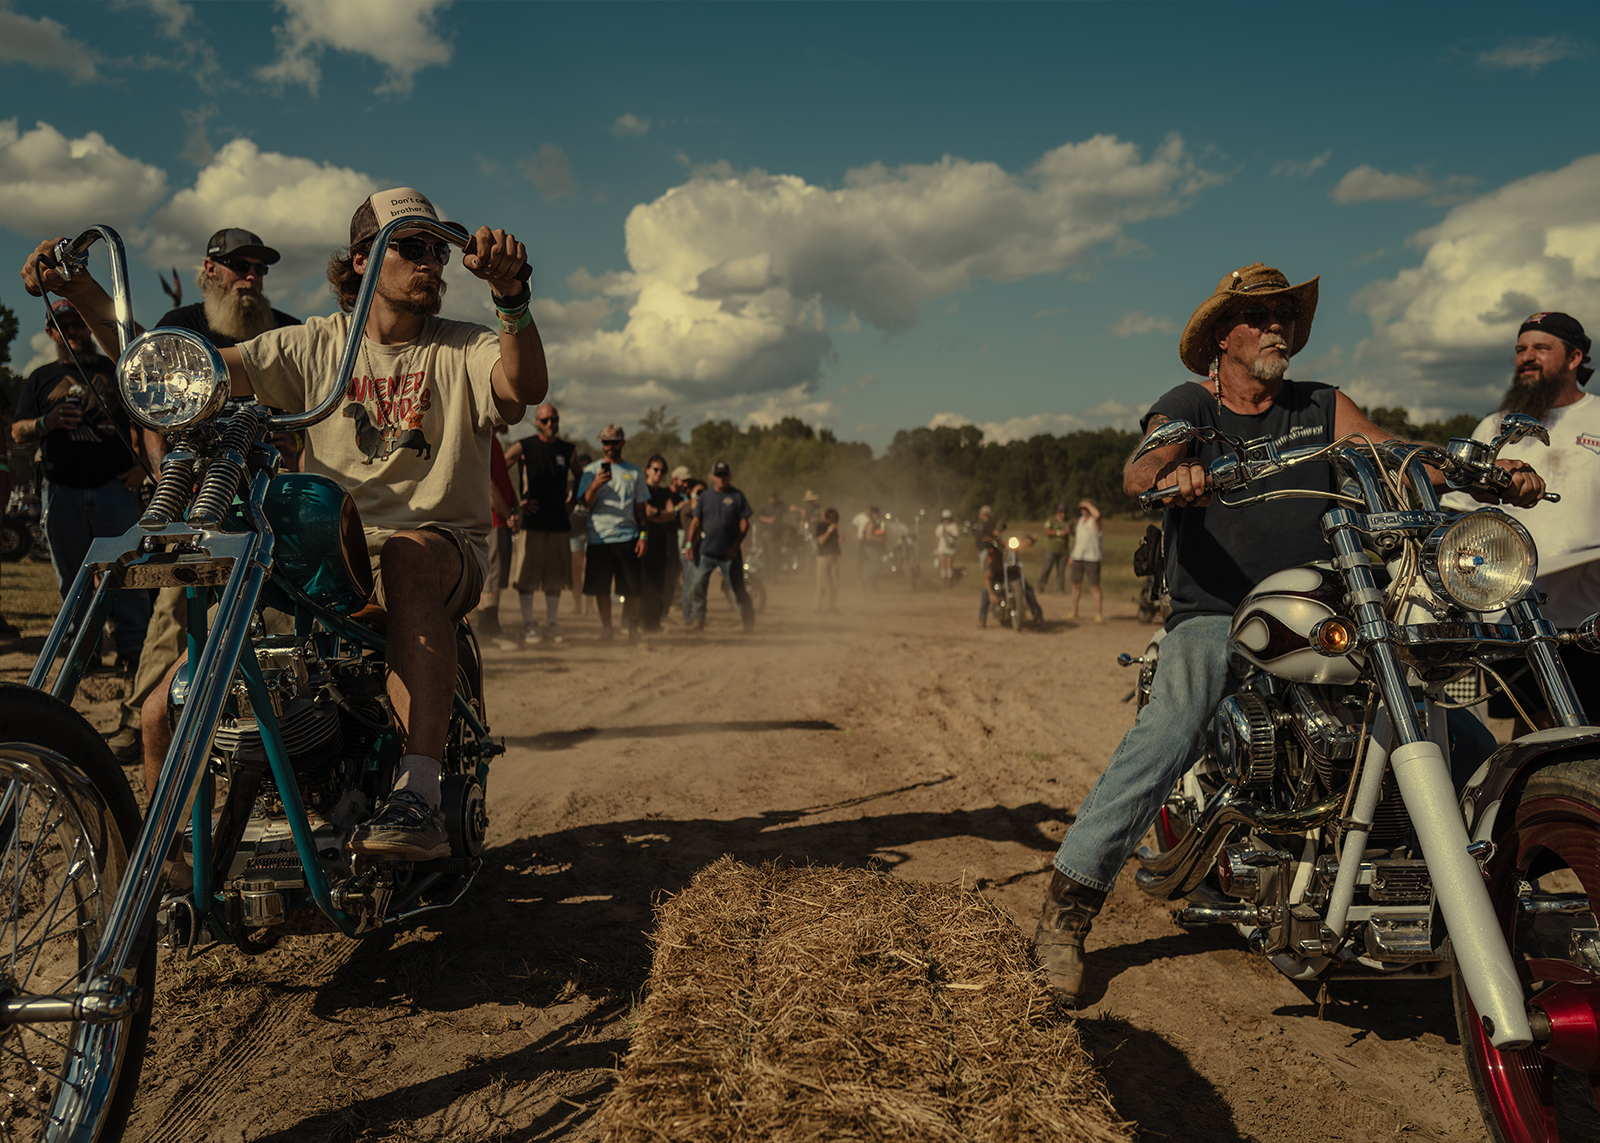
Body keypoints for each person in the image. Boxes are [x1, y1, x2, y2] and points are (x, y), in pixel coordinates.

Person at [1032, 262, 1547, 1008]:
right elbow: (1142, 467)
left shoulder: (1320, 403)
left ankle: (1485, 885)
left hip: (1327, 603)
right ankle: (1066, 911)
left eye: (1284, 315)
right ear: (1221, 337)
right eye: (1259, 315)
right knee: (1174, 721)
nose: (1278, 326)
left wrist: (1481, 473)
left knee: (1452, 724)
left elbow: (1387, 448)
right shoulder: (1190, 406)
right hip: (1216, 609)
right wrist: (1176, 474)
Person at [24, 185, 549, 858]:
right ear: (363, 259)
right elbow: (177, 373)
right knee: (161, 706)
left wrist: (512, 300)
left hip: (437, 546)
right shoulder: (312, 345)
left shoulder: (462, 346)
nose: (431, 263)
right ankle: (168, 857)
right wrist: (86, 290)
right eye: (411, 247)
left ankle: (418, 795)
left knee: (407, 555)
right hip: (330, 556)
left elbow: (522, 387)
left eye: (436, 250)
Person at [112, 229, 304, 764]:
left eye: (260, 268)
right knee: (176, 607)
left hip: (272, 499)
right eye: (240, 265)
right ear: (209, 269)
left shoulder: (286, 331)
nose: (251, 276)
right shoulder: (182, 329)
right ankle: (139, 719)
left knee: (286, 613)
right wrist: (163, 477)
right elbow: (148, 411)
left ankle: (285, 731)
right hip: (198, 495)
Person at [1442, 312, 1600, 731]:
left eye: (1540, 348)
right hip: (1515, 622)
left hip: (1590, 621)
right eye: (1520, 350)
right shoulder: (1494, 427)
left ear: (1574, 358)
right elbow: (1459, 514)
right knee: (1535, 742)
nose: (1527, 358)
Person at [11, 299, 153, 674]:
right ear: (50, 332)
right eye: (63, 326)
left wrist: (143, 467)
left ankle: (133, 650)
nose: (72, 331)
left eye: (78, 323)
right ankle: (84, 650)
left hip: (115, 488)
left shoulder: (115, 369)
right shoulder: (39, 378)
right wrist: (47, 423)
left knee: (129, 573)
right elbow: (17, 431)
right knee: (72, 579)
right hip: (61, 492)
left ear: (88, 326)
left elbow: (145, 419)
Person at [503, 403, 573, 645]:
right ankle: (528, 624)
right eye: (545, 420)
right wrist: (515, 504)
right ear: (536, 422)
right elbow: (498, 471)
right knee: (528, 577)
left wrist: (574, 501)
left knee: (555, 578)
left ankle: (551, 624)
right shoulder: (524, 446)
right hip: (531, 522)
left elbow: (583, 476)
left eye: (553, 419)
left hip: (559, 523)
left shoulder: (567, 449)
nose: (550, 424)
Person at [575, 424, 649, 643]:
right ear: (601, 444)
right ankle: (607, 629)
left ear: (622, 443)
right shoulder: (591, 471)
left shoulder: (634, 472)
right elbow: (586, 504)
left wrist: (643, 536)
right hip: (599, 537)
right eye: (606, 442)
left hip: (628, 537)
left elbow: (641, 508)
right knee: (601, 589)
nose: (609, 446)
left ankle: (632, 630)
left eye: (614, 442)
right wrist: (595, 485)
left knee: (633, 590)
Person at [686, 460, 755, 632]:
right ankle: (698, 620)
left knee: (738, 589)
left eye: (724, 475)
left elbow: (745, 523)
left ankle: (748, 621)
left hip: (729, 554)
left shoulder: (737, 496)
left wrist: (736, 546)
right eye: (718, 475)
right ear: (712, 476)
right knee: (699, 587)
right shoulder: (706, 497)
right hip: (707, 552)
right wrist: (688, 543)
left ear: (730, 476)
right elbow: (695, 521)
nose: (721, 478)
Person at [640, 453, 681, 633]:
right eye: (656, 469)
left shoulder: (665, 492)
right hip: (643, 541)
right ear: (648, 470)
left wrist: (656, 513)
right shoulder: (641, 489)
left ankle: (653, 624)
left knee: (658, 585)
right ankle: (636, 623)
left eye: (662, 471)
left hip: (660, 542)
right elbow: (645, 513)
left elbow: (671, 515)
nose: (659, 473)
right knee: (642, 584)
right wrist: (662, 514)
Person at [978, 535, 1042, 628]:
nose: (993, 555)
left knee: (1028, 591)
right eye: (990, 552)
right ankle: (982, 618)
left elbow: (1022, 545)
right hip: (998, 576)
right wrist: (991, 594)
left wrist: (1031, 540)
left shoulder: (1006, 548)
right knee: (985, 592)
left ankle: (1037, 616)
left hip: (1012, 573)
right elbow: (986, 578)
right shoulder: (988, 560)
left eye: (994, 551)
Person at [1068, 499, 1104, 623]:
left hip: (1092, 558)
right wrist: (1072, 556)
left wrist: (1088, 504)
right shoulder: (1080, 521)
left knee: (1094, 586)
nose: (1083, 510)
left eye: (1086, 508)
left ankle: (1098, 614)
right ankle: (1074, 612)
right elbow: (1078, 540)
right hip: (1078, 557)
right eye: (1082, 508)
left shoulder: (1095, 521)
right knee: (1075, 585)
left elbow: (1098, 515)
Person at [677, 475, 704, 623]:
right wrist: (695, 494)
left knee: (695, 584)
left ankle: (694, 615)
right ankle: (688, 618)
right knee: (689, 585)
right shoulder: (687, 506)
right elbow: (695, 508)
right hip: (688, 550)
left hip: (698, 549)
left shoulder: (698, 506)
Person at [568, 451, 592, 616]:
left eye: (586, 465)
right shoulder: (570, 484)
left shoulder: (594, 485)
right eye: (580, 464)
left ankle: (590, 607)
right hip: (574, 532)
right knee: (576, 573)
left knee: (589, 571)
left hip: (590, 532)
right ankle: (577, 605)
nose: (583, 467)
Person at [1039, 504, 1071, 593]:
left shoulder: (1068, 522)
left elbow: (1075, 532)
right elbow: (1046, 531)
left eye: (1064, 511)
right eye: (1061, 511)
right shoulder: (1051, 520)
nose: (1063, 513)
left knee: (1061, 572)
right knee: (1046, 569)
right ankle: (1040, 587)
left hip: (1064, 550)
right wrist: (1058, 533)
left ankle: (1060, 589)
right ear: (1058, 511)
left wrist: (1069, 531)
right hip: (1051, 550)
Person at [814, 507, 841, 612]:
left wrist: (838, 536)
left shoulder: (833, 528)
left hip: (834, 556)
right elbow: (821, 541)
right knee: (822, 583)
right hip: (823, 557)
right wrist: (830, 530)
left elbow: (831, 540)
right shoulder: (821, 526)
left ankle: (832, 606)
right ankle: (818, 607)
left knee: (835, 583)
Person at [933, 509, 960, 589]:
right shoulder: (940, 526)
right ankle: (944, 582)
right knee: (943, 565)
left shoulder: (953, 526)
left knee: (949, 565)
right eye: (945, 518)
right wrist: (935, 548)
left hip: (950, 549)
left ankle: (949, 583)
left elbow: (956, 536)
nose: (946, 520)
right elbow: (937, 538)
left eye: (947, 518)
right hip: (942, 548)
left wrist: (948, 533)